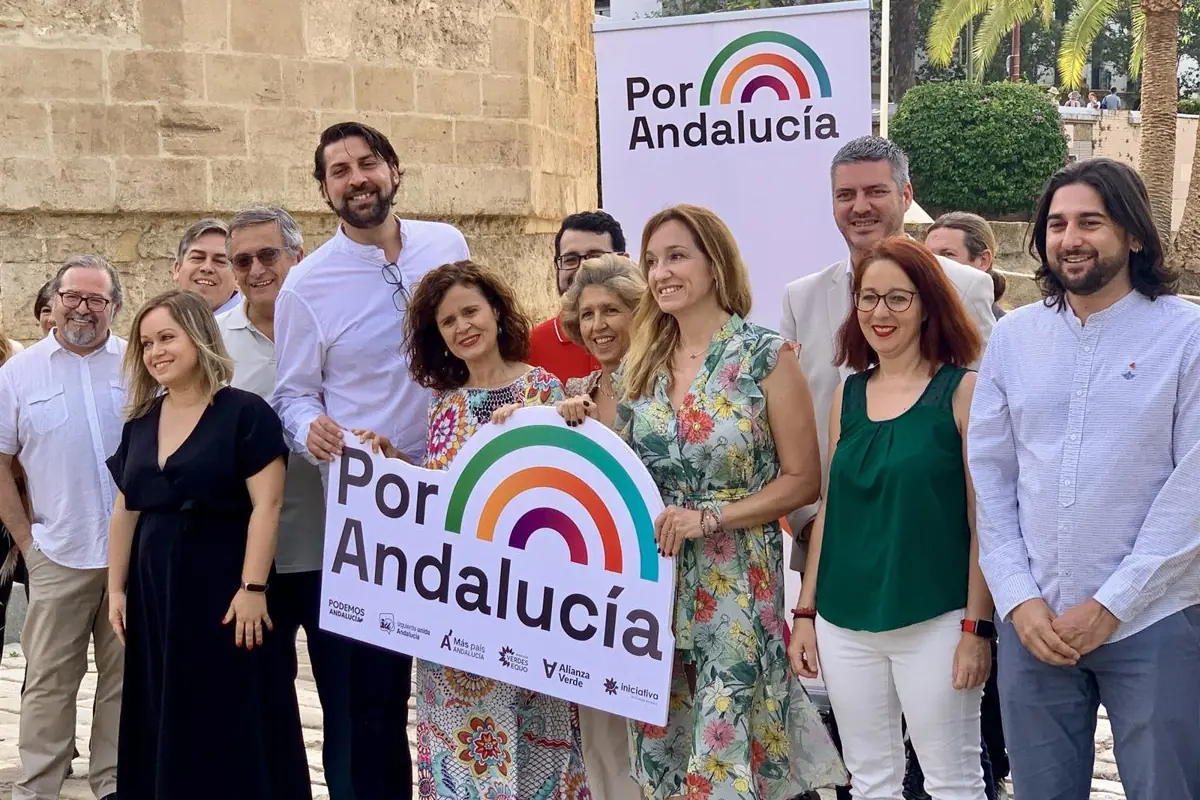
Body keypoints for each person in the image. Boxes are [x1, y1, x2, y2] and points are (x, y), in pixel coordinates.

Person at [968, 158, 1200, 799]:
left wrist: (1113, 604)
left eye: (1090, 222)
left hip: (1154, 616)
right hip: (1035, 625)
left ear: (1133, 235)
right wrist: (1018, 596)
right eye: (1058, 223)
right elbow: (990, 476)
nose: (1070, 238)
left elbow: (1194, 489)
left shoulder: (1187, 335)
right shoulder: (1014, 338)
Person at [614, 204, 846, 799]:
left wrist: (711, 517)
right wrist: (565, 415)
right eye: (651, 261)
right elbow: (612, 460)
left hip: (736, 585)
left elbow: (803, 479)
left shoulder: (767, 355)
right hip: (656, 585)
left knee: (727, 743)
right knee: (665, 737)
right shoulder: (639, 366)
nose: (661, 271)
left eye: (676, 256)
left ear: (715, 264)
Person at [272, 120, 469, 800]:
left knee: (469, 677)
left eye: (367, 163)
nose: (356, 178)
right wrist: (312, 430)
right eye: (339, 171)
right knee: (368, 700)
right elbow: (292, 395)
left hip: (456, 492)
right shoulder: (307, 288)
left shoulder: (446, 245)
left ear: (393, 170)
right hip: (373, 510)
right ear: (324, 190)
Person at [354, 260, 582, 799]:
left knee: (539, 751)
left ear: (497, 313)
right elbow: (441, 494)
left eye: (470, 312)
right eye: (448, 321)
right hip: (455, 613)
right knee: (459, 758)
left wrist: (572, 415)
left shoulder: (543, 389)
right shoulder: (443, 407)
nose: (462, 327)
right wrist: (392, 464)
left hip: (529, 612)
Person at [788, 237, 991, 800]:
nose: (881, 313)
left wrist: (977, 627)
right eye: (869, 298)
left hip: (936, 617)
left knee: (953, 781)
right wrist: (805, 611)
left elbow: (984, 522)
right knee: (871, 779)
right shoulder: (847, 397)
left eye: (898, 299)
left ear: (928, 304)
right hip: (844, 620)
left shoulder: (963, 392)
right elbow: (831, 510)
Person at [106, 289, 310, 800]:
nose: (156, 351)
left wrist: (254, 586)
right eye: (147, 342)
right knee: (162, 703)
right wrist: (116, 590)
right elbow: (125, 510)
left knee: (230, 707)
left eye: (168, 337)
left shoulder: (246, 413)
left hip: (227, 589)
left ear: (199, 337)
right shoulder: (139, 423)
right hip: (156, 595)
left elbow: (267, 505)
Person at [781, 137, 995, 578]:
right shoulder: (800, 299)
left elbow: (991, 423)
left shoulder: (965, 288)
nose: (860, 206)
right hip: (830, 550)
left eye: (875, 191)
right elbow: (788, 427)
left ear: (906, 195)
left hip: (934, 551)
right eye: (846, 195)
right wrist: (808, 525)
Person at [218, 206, 355, 799]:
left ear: (298, 258)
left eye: (267, 255)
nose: (254, 270)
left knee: (354, 711)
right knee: (265, 711)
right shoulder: (215, 345)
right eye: (240, 260)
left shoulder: (341, 324)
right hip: (259, 561)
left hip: (343, 551)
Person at [0, 255, 125, 800]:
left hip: (130, 556)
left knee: (124, 680)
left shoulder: (136, 363)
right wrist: (27, 542)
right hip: (57, 549)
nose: (83, 308)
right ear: (51, 304)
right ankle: (39, 787)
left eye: (97, 299)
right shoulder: (18, 374)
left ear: (114, 309)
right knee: (49, 682)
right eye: (72, 296)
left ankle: (113, 782)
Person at [555, 253, 645, 797]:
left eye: (611, 310)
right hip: (591, 606)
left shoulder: (667, 383)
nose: (597, 326)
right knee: (603, 746)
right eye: (587, 315)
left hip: (657, 596)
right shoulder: (575, 393)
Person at [528, 210, 628, 384]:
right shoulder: (533, 346)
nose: (583, 268)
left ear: (624, 261)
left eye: (595, 256)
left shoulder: (654, 334)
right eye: (570, 259)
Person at [926, 213, 1008, 319]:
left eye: (947, 254)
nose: (932, 263)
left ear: (983, 261)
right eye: (927, 254)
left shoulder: (1006, 331)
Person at [173, 218, 240, 314]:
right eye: (197, 258)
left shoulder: (258, 325)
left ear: (237, 277)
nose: (207, 268)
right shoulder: (155, 323)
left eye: (220, 261)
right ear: (177, 269)